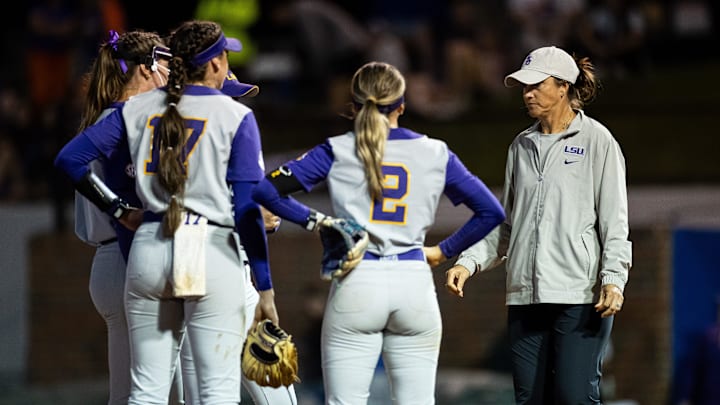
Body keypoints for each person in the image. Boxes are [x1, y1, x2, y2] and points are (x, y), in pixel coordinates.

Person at [252, 61, 506, 404]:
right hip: (413, 280)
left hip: (358, 279)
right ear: (402, 105)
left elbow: (265, 191)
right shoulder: (435, 151)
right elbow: (491, 211)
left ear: (353, 105)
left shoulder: (337, 148)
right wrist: (443, 251)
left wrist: (317, 221)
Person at [54, 20, 279, 404]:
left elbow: (70, 159)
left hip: (140, 249)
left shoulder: (128, 112)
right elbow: (240, 204)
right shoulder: (224, 114)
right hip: (193, 243)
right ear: (213, 65)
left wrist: (120, 210)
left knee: (141, 394)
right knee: (212, 390)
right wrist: (265, 284)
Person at [445, 45, 632, 404]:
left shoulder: (598, 141)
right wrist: (467, 263)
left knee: (573, 397)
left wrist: (614, 279)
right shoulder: (520, 146)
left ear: (563, 87)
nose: (527, 93)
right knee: (529, 398)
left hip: (579, 296)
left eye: (536, 85)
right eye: (523, 87)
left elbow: (614, 221)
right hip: (525, 297)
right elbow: (508, 225)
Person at [179, 71, 297, 405]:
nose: (235, 102)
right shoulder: (230, 128)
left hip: (185, 260)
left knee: (203, 395)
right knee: (273, 396)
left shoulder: (168, 127)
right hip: (226, 262)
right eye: (230, 95)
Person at [70, 28, 173, 405]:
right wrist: (118, 208)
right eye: (163, 63)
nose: (169, 72)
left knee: (127, 394)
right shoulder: (126, 121)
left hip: (107, 261)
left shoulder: (101, 119)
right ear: (145, 68)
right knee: (155, 391)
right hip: (131, 253)